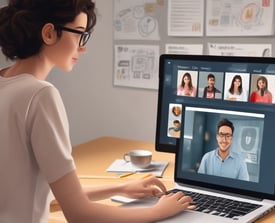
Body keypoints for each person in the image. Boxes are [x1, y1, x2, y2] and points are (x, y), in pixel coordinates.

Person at [0, 1, 192, 223]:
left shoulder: (7, 84)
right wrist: (157, 212)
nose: (83, 47)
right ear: (49, 33)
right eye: (80, 34)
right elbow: (79, 214)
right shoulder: (40, 95)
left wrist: (120, 188)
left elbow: (49, 193)